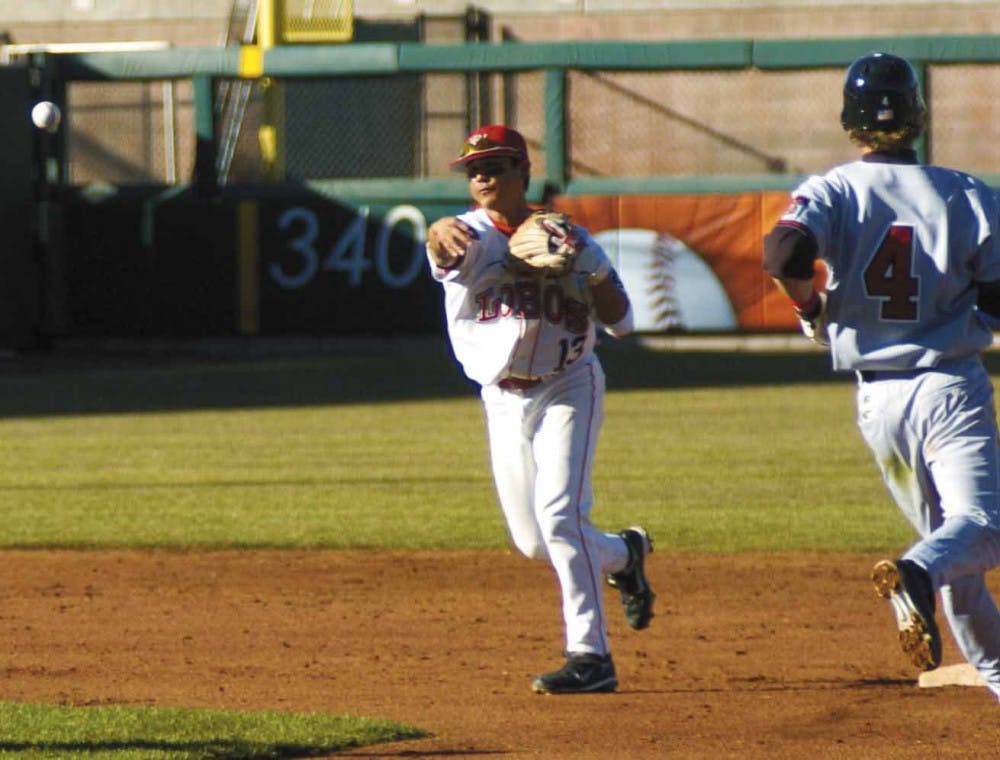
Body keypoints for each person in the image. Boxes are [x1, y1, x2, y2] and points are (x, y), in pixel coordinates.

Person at [763, 52, 1000, 701]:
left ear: (851, 121)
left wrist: (811, 307)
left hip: (878, 403)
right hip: (950, 386)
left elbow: (783, 251)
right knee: (981, 529)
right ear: (919, 117)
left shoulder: (832, 189)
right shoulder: (964, 191)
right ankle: (915, 571)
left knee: (955, 554)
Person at [426, 124, 655, 694]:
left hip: (569, 384)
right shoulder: (468, 236)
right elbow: (442, 251)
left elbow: (622, 320)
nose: (482, 177)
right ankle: (624, 554)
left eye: (496, 166)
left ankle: (591, 656)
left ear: (522, 173)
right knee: (535, 541)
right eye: (474, 169)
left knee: (559, 516)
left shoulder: (574, 238)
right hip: (502, 397)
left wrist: (587, 270)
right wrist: (435, 230)